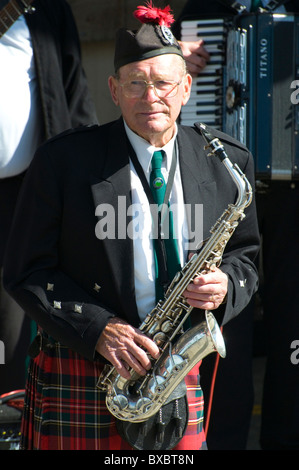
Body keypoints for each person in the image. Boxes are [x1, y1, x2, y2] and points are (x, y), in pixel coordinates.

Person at [3, 2, 259, 450]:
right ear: (114, 90)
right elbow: (25, 270)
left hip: (178, 370)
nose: (150, 97)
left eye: (162, 83)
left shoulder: (227, 164)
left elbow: (247, 259)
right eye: (135, 84)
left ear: (186, 88)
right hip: (84, 365)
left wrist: (225, 286)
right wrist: (99, 328)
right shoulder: (63, 162)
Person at [175, 0, 299, 451]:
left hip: (292, 194)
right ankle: (218, 441)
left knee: (294, 325)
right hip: (222, 186)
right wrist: (175, 54)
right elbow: (149, 64)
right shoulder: (206, 10)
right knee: (222, 318)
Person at [0, 0, 98, 395]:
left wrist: (87, 177)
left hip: (20, 191)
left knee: (10, 325)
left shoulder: (44, 7)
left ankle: (7, 422)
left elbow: (74, 92)